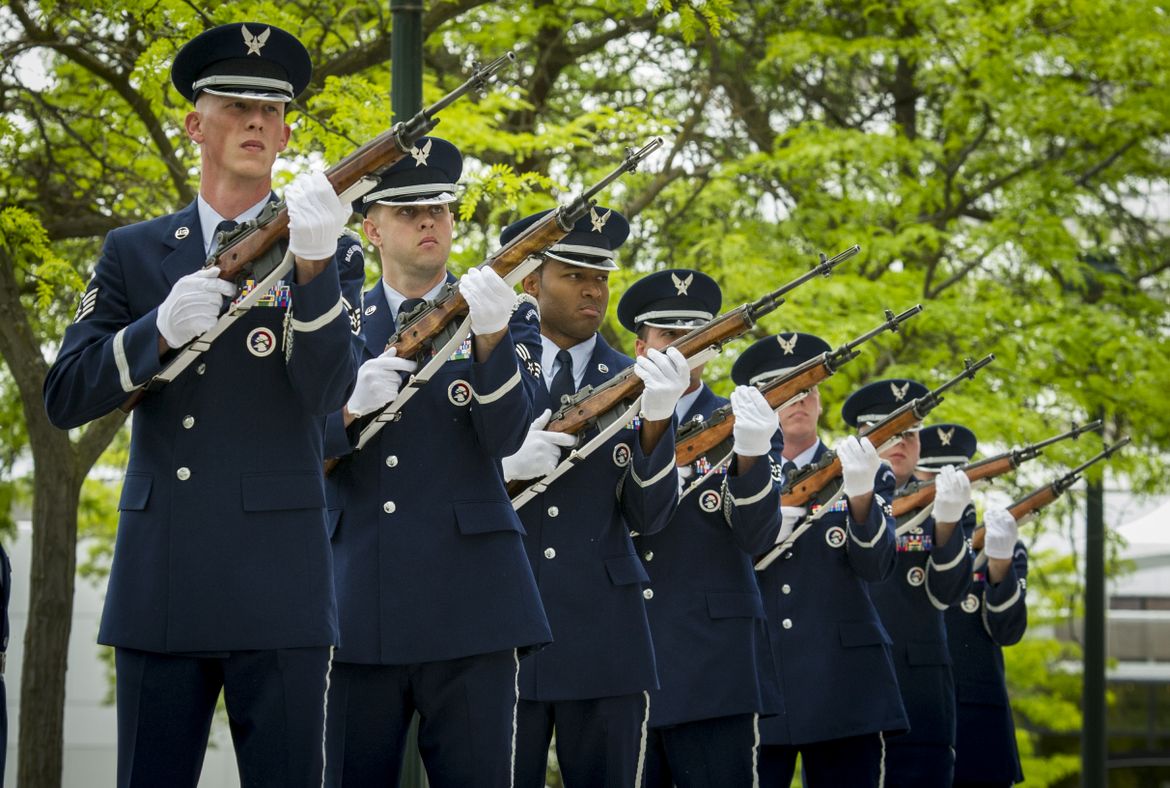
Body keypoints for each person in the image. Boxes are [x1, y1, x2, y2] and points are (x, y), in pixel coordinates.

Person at [43, 22, 363, 787]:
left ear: (288, 132)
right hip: (167, 569)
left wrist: (315, 268)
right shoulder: (133, 250)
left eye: (272, 110)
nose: (256, 120)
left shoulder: (331, 249)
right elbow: (64, 395)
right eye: (237, 103)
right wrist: (155, 330)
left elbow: (329, 397)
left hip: (280, 576)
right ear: (196, 123)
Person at [320, 137, 551, 786]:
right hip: (358, 595)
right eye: (407, 209)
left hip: (472, 601)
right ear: (371, 228)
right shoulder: (335, 321)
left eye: (441, 209)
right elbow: (297, 449)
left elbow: (505, 436)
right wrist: (344, 414)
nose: (428, 220)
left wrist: (492, 338)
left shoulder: (504, 317)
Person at [499, 208, 690, 787]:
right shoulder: (490, 363)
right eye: (575, 274)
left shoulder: (636, 381)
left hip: (603, 635)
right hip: (500, 624)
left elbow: (650, 517)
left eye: (600, 277)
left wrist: (657, 423)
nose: (593, 290)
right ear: (531, 282)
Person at [615, 270, 783, 786]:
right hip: (622, 657)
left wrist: (752, 454)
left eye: (697, 336)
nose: (683, 348)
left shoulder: (745, 422)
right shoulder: (609, 417)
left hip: (715, 665)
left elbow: (758, 537)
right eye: (669, 336)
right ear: (641, 347)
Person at [737, 334, 908, 787]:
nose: (800, 399)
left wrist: (861, 495)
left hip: (843, 683)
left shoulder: (865, 470)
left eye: (808, 388)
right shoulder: (736, 473)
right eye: (786, 389)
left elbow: (876, 566)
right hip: (757, 675)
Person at [842, 382, 975, 787]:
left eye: (910, 433)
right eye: (887, 430)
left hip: (919, 687)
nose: (900, 442)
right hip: (849, 684)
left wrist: (949, 522)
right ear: (863, 437)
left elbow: (947, 593)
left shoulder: (945, 505)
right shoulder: (834, 495)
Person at [916, 425, 1027, 787]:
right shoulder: (898, 544)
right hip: (916, 713)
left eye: (956, 478)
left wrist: (999, 563)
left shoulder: (1000, 545)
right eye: (932, 475)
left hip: (977, 722)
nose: (944, 487)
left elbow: (1007, 630)